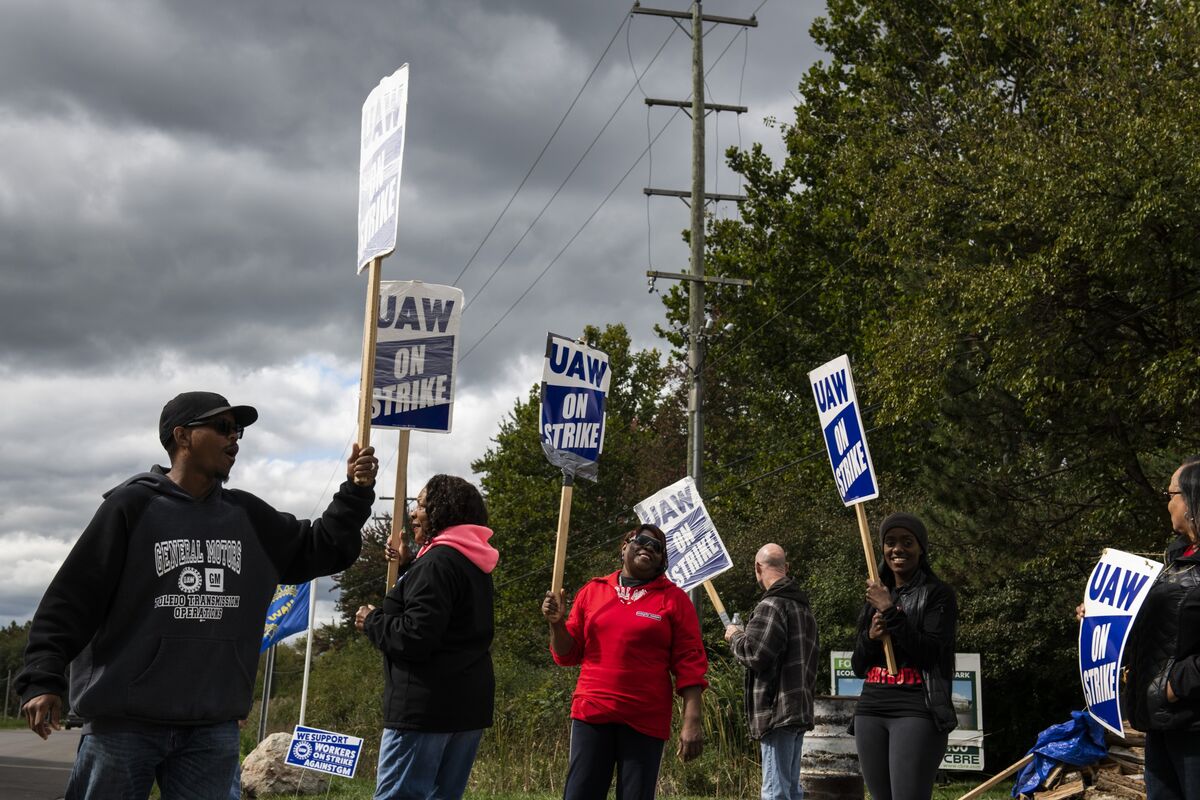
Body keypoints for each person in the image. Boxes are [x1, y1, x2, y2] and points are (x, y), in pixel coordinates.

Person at [16, 390, 378, 800]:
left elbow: (324, 547)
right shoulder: (131, 507)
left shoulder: (248, 516)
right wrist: (42, 679)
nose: (234, 439)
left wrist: (356, 490)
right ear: (183, 437)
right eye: (222, 428)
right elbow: (71, 599)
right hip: (124, 724)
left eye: (237, 430)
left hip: (211, 726)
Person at [355, 474, 498, 800]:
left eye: (420, 505)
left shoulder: (436, 564)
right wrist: (409, 567)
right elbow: (446, 622)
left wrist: (372, 620)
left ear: (442, 511)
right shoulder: (472, 562)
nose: (413, 513)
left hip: (425, 710)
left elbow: (415, 637)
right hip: (466, 709)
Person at [540, 523, 708, 800]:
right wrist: (557, 625)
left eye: (657, 548)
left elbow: (690, 664)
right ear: (624, 547)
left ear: (662, 560)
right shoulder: (593, 591)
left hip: (645, 718)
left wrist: (692, 721)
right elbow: (567, 655)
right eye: (641, 541)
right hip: (592, 711)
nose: (649, 548)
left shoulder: (674, 600)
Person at [850, 512, 957, 800]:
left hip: (916, 708)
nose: (897, 549)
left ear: (921, 548)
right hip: (871, 709)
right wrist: (871, 637)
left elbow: (929, 653)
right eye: (890, 542)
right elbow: (858, 666)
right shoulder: (875, 595)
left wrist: (890, 612)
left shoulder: (938, 595)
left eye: (907, 542)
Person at [1120, 457, 1200, 799]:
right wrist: (1101, 619)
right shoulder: (1174, 560)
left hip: (1193, 723)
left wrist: (1176, 684)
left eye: (1171, 494)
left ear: (1193, 499)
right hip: (1160, 719)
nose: (1168, 503)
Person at [724, 543, 819, 800]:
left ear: (757, 568)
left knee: (775, 792)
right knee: (790, 790)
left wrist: (735, 636)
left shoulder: (771, 605)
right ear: (786, 569)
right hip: (798, 709)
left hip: (777, 711)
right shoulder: (803, 608)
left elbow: (755, 654)